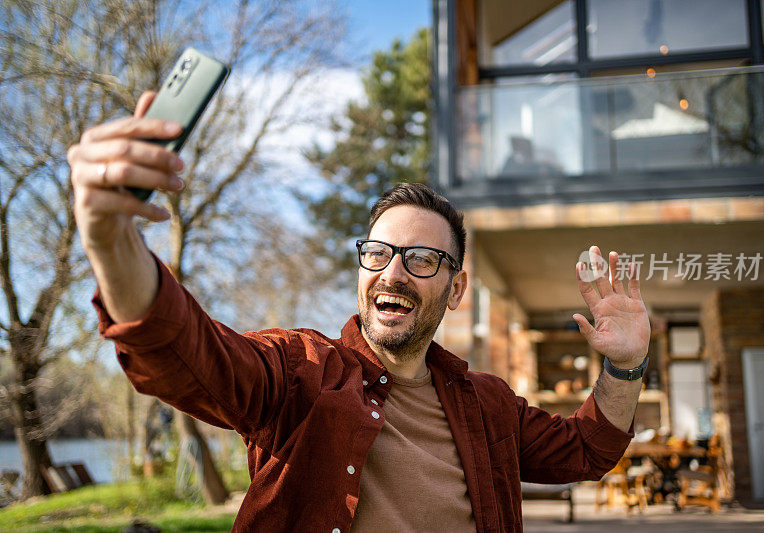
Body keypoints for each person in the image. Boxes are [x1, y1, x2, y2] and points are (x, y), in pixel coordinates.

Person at [68, 92, 651, 532]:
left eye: (422, 259)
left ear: (457, 289)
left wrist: (625, 366)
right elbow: (185, 353)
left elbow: (585, 449)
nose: (392, 274)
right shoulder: (298, 375)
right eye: (378, 254)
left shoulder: (488, 404)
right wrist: (111, 243)